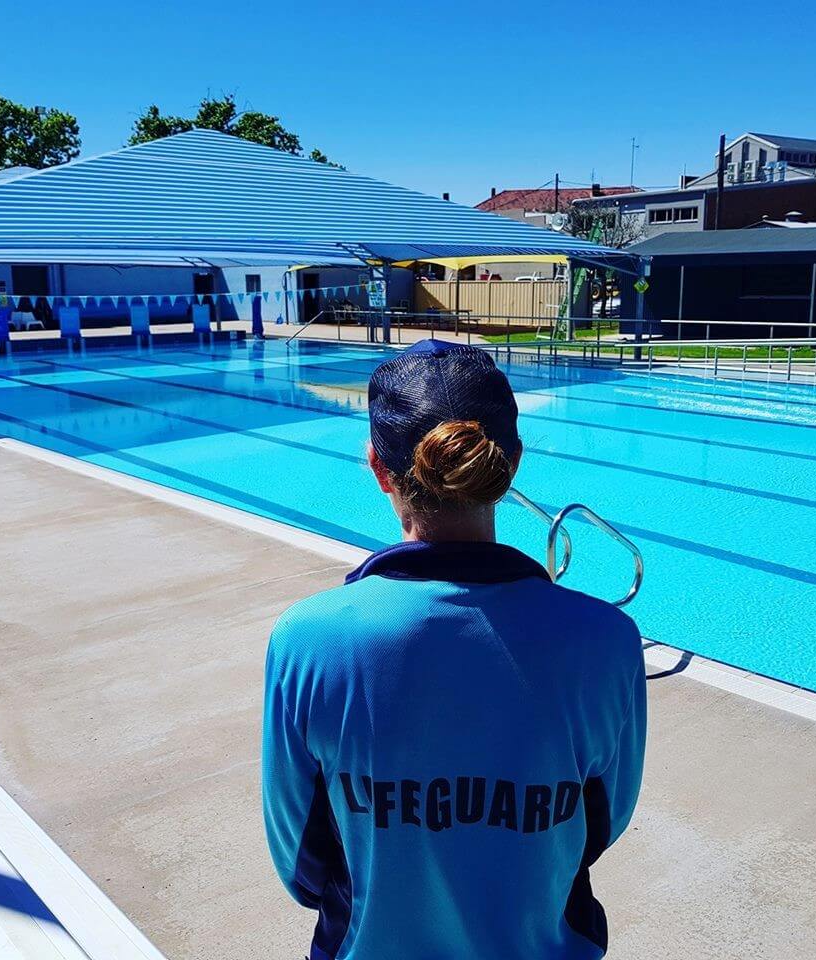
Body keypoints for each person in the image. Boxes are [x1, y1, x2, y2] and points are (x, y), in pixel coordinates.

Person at [262, 339, 646, 960]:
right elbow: (601, 823)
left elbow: (301, 860)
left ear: (378, 467)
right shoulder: (605, 639)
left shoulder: (308, 640)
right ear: (511, 465)